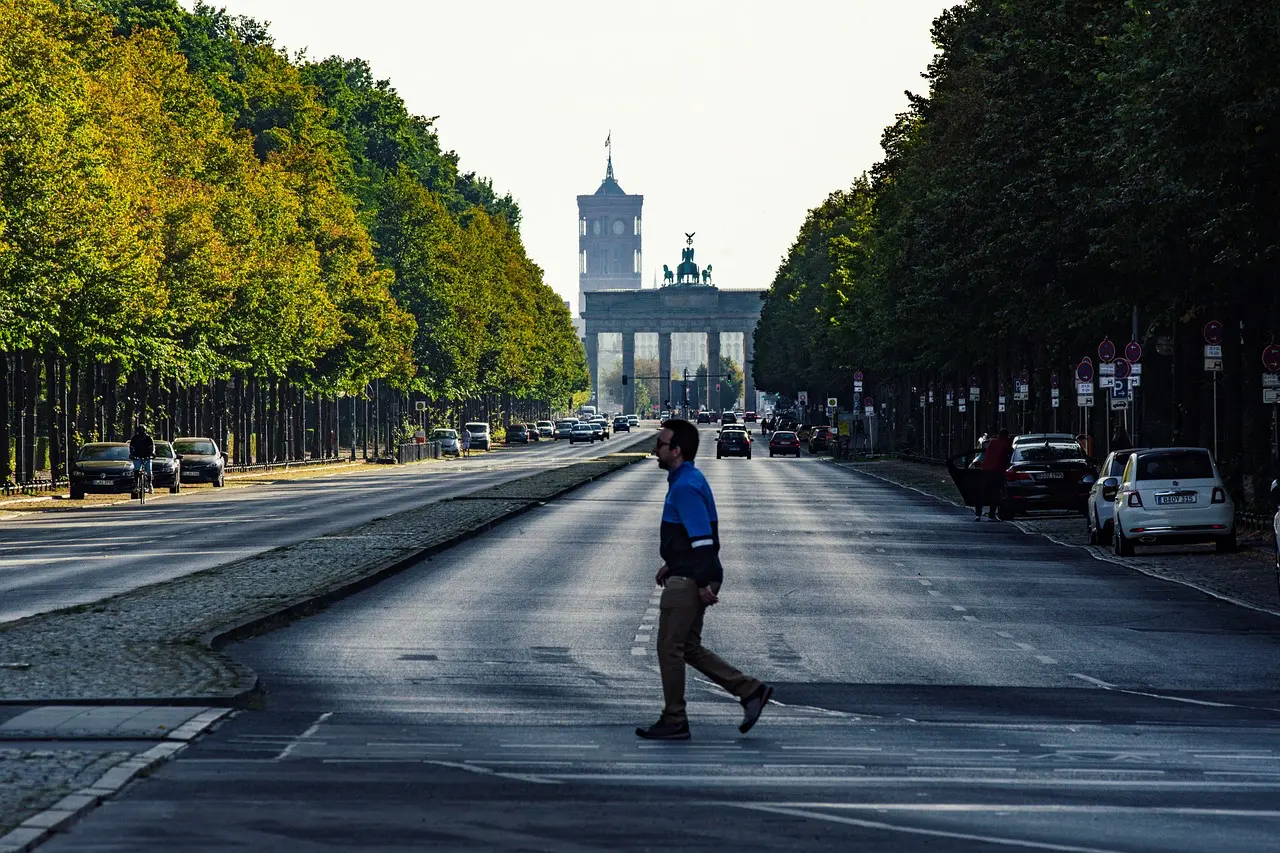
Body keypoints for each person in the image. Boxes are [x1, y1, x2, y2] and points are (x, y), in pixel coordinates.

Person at [637, 418, 773, 741]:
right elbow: (693, 538)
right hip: (686, 573)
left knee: (669, 648)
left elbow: (702, 540)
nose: (655, 449)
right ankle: (750, 691)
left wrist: (701, 581)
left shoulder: (685, 487)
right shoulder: (686, 480)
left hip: (689, 580)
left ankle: (675, 718)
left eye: (660, 443)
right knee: (688, 647)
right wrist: (671, 564)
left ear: (677, 450)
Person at [977, 427, 1013, 521]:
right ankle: (992, 514)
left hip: (985, 470)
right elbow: (1010, 451)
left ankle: (978, 513)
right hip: (997, 472)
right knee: (995, 493)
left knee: (982, 492)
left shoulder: (992, 442)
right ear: (1006, 436)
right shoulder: (1005, 444)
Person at [128, 424, 155, 493]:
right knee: (136, 470)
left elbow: (152, 447)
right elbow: (131, 447)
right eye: (140, 432)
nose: (141, 433)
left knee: (148, 470)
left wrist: (152, 453)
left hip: (147, 456)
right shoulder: (134, 438)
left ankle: (150, 485)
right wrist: (131, 454)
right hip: (137, 455)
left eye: (142, 431)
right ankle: (136, 485)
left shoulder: (149, 438)